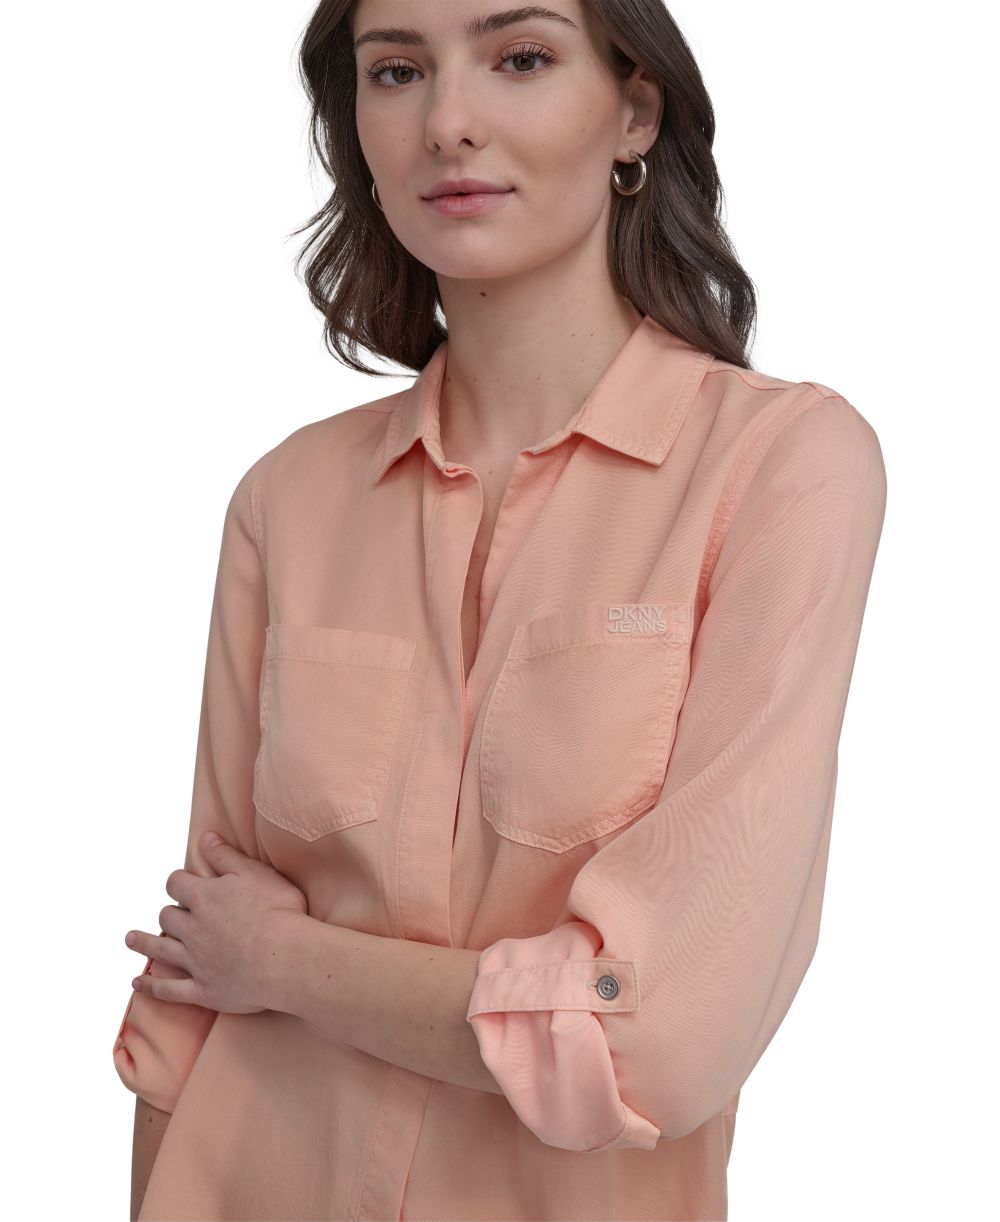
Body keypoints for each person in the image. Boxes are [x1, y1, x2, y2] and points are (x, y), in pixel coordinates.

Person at [112, 2, 887, 1219]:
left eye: (519, 58)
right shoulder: (286, 498)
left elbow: (651, 1033)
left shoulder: (781, 467)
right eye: (396, 71)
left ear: (635, 111)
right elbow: (192, 983)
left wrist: (287, 961)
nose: (448, 122)